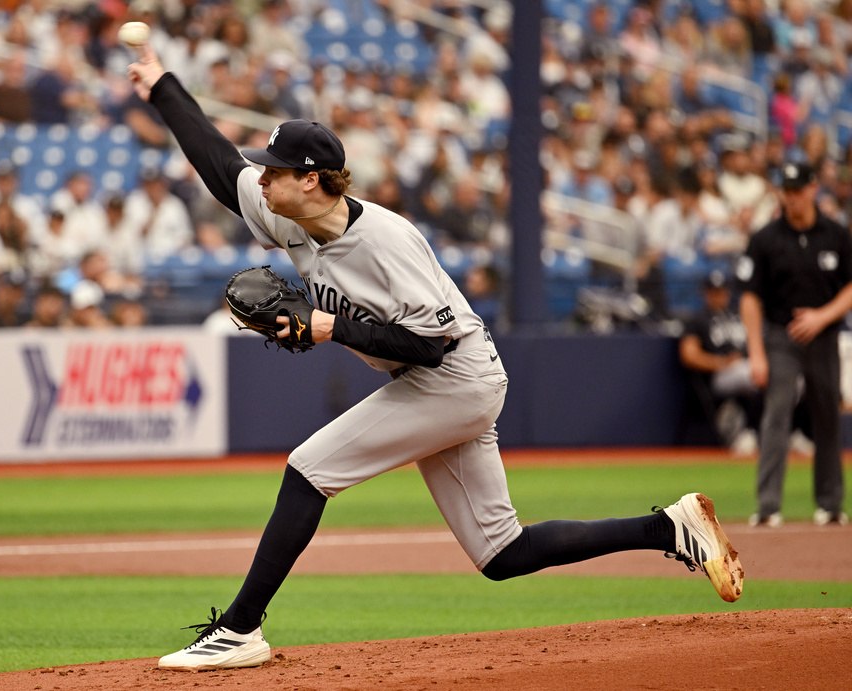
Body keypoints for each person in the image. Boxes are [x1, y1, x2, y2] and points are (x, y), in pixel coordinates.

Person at [127, 43, 744, 673]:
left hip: (454, 378)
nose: (261, 178)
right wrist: (163, 85)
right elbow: (217, 161)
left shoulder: (385, 241)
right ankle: (670, 528)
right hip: (440, 383)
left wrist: (329, 326)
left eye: (274, 171)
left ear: (310, 179)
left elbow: (427, 346)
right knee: (502, 553)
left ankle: (240, 628)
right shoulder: (290, 213)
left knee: (308, 468)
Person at [738, 162, 852, 527]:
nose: (792, 197)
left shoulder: (835, 234)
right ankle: (768, 505)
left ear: (813, 188)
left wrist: (822, 316)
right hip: (780, 335)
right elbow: (750, 298)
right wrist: (755, 351)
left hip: (823, 335)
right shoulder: (766, 239)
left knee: (827, 414)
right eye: (786, 190)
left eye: (798, 190)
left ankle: (831, 504)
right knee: (777, 413)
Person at [679, 270, 761, 455]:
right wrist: (722, 362)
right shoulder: (698, 319)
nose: (718, 296)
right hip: (719, 376)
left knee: (785, 379)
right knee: (752, 374)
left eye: (722, 291)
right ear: (705, 293)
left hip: (747, 366)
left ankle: (790, 432)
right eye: (713, 292)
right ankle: (747, 431)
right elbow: (688, 355)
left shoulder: (737, 315)